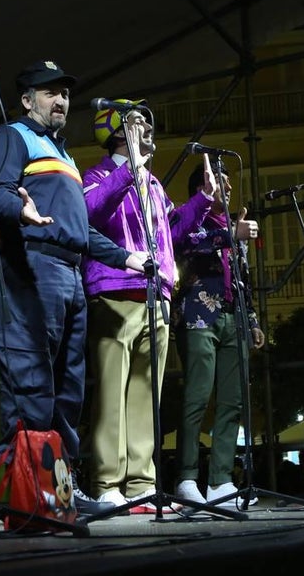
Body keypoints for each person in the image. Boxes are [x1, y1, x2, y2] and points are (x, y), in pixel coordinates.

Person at [0, 61, 148, 516]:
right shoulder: (12, 136)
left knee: (68, 387)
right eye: (50, 92)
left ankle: (61, 491)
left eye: (65, 94)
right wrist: (21, 211)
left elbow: (80, 229)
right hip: (32, 267)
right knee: (29, 381)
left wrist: (125, 257)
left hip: (70, 273)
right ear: (26, 99)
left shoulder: (65, 156)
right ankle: (26, 490)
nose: (61, 101)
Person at [81, 102, 217, 513]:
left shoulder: (154, 185)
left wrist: (203, 201)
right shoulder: (98, 174)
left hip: (156, 295)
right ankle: (107, 484)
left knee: (145, 394)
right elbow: (90, 212)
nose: (146, 127)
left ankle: (141, 483)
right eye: (136, 122)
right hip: (115, 292)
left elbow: (171, 232)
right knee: (111, 393)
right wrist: (130, 170)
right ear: (115, 131)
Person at [172, 163, 264, 506]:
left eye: (227, 184)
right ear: (202, 188)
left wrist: (252, 319)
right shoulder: (190, 218)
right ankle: (186, 478)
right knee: (196, 398)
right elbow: (183, 241)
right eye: (217, 184)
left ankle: (221, 482)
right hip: (198, 317)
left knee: (232, 401)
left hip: (233, 318)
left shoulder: (233, 226)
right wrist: (231, 235)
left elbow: (244, 278)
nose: (226, 189)